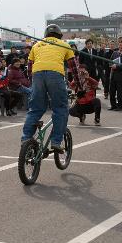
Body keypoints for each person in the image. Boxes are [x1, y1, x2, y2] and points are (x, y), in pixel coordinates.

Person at [22, 24, 79, 152]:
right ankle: (56, 141)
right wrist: (79, 86)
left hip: (37, 75)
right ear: (59, 35)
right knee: (60, 108)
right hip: (55, 74)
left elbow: (29, 68)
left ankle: (26, 138)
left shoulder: (37, 45)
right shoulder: (63, 44)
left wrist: (35, 84)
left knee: (35, 109)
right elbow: (74, 68)